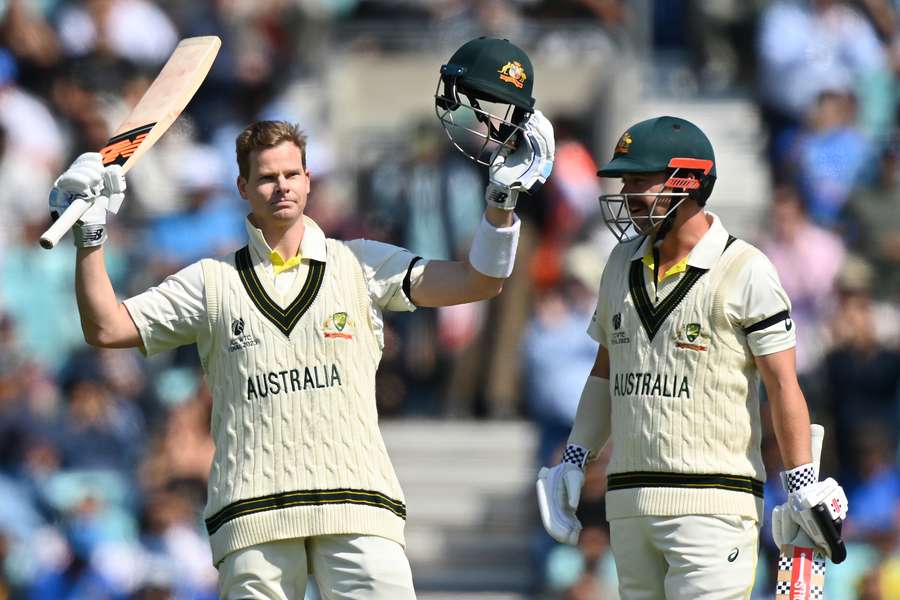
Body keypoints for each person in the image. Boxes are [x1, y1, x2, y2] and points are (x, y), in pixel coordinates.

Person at [48, 112, 553, 599]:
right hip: (252, 512)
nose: (282, 186)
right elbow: (107, 328)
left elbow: (479, 281)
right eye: (267, 177)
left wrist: (501, 201)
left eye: (292, 174)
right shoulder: (211, 282)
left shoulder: (361, 262)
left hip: (358, 503)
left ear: (309, 180)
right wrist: (90, 238)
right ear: (242, 188)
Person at [535, 115, 848, 599]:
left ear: (687, 180)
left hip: (712, 506)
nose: (627, 193)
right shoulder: (620, 263)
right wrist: (575, 459)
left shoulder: (746, 269)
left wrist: (801, 481)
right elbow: (604, 372)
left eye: (639, 179)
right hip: (629, 502)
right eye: (624, 180)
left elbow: (784, 383)